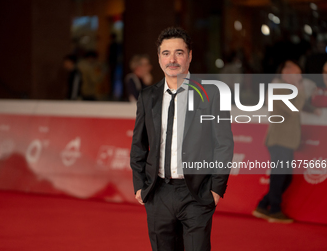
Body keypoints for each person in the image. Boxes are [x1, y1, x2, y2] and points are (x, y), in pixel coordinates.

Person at [130, 27, 234, 251]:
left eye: (179, 52)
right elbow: (139, 144)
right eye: (166, 53)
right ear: (159, 58)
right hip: (158, 193)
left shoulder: (211, 94)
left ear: (190, 56)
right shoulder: (148, 97)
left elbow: (223, 143)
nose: (172, 59)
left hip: (197, 194)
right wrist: (140, 185)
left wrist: (216, 189)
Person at [253, 60, 306, 223]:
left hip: (284, 140)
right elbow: (294, 109)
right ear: (287, 73)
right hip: (279, 140)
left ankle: (263, 205)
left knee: (285, 176)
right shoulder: (280, 89)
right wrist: (301, 89)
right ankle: (274, 209)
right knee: (280, 175)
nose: (300, 77)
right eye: (297, 74)